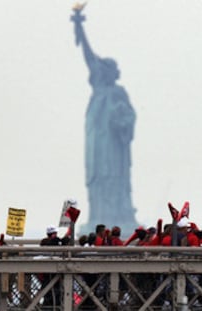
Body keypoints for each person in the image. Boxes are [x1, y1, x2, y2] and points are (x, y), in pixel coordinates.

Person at [72, 5, 138, 235]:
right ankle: (98, 218)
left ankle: (117, 218)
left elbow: (129, 117)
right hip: (97, 145)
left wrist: (122, 120)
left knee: (114, 180)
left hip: (114, 148)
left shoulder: (118, 93)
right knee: (98, 181)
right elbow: (90, 58)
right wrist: (80, 26)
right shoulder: (99, 89)